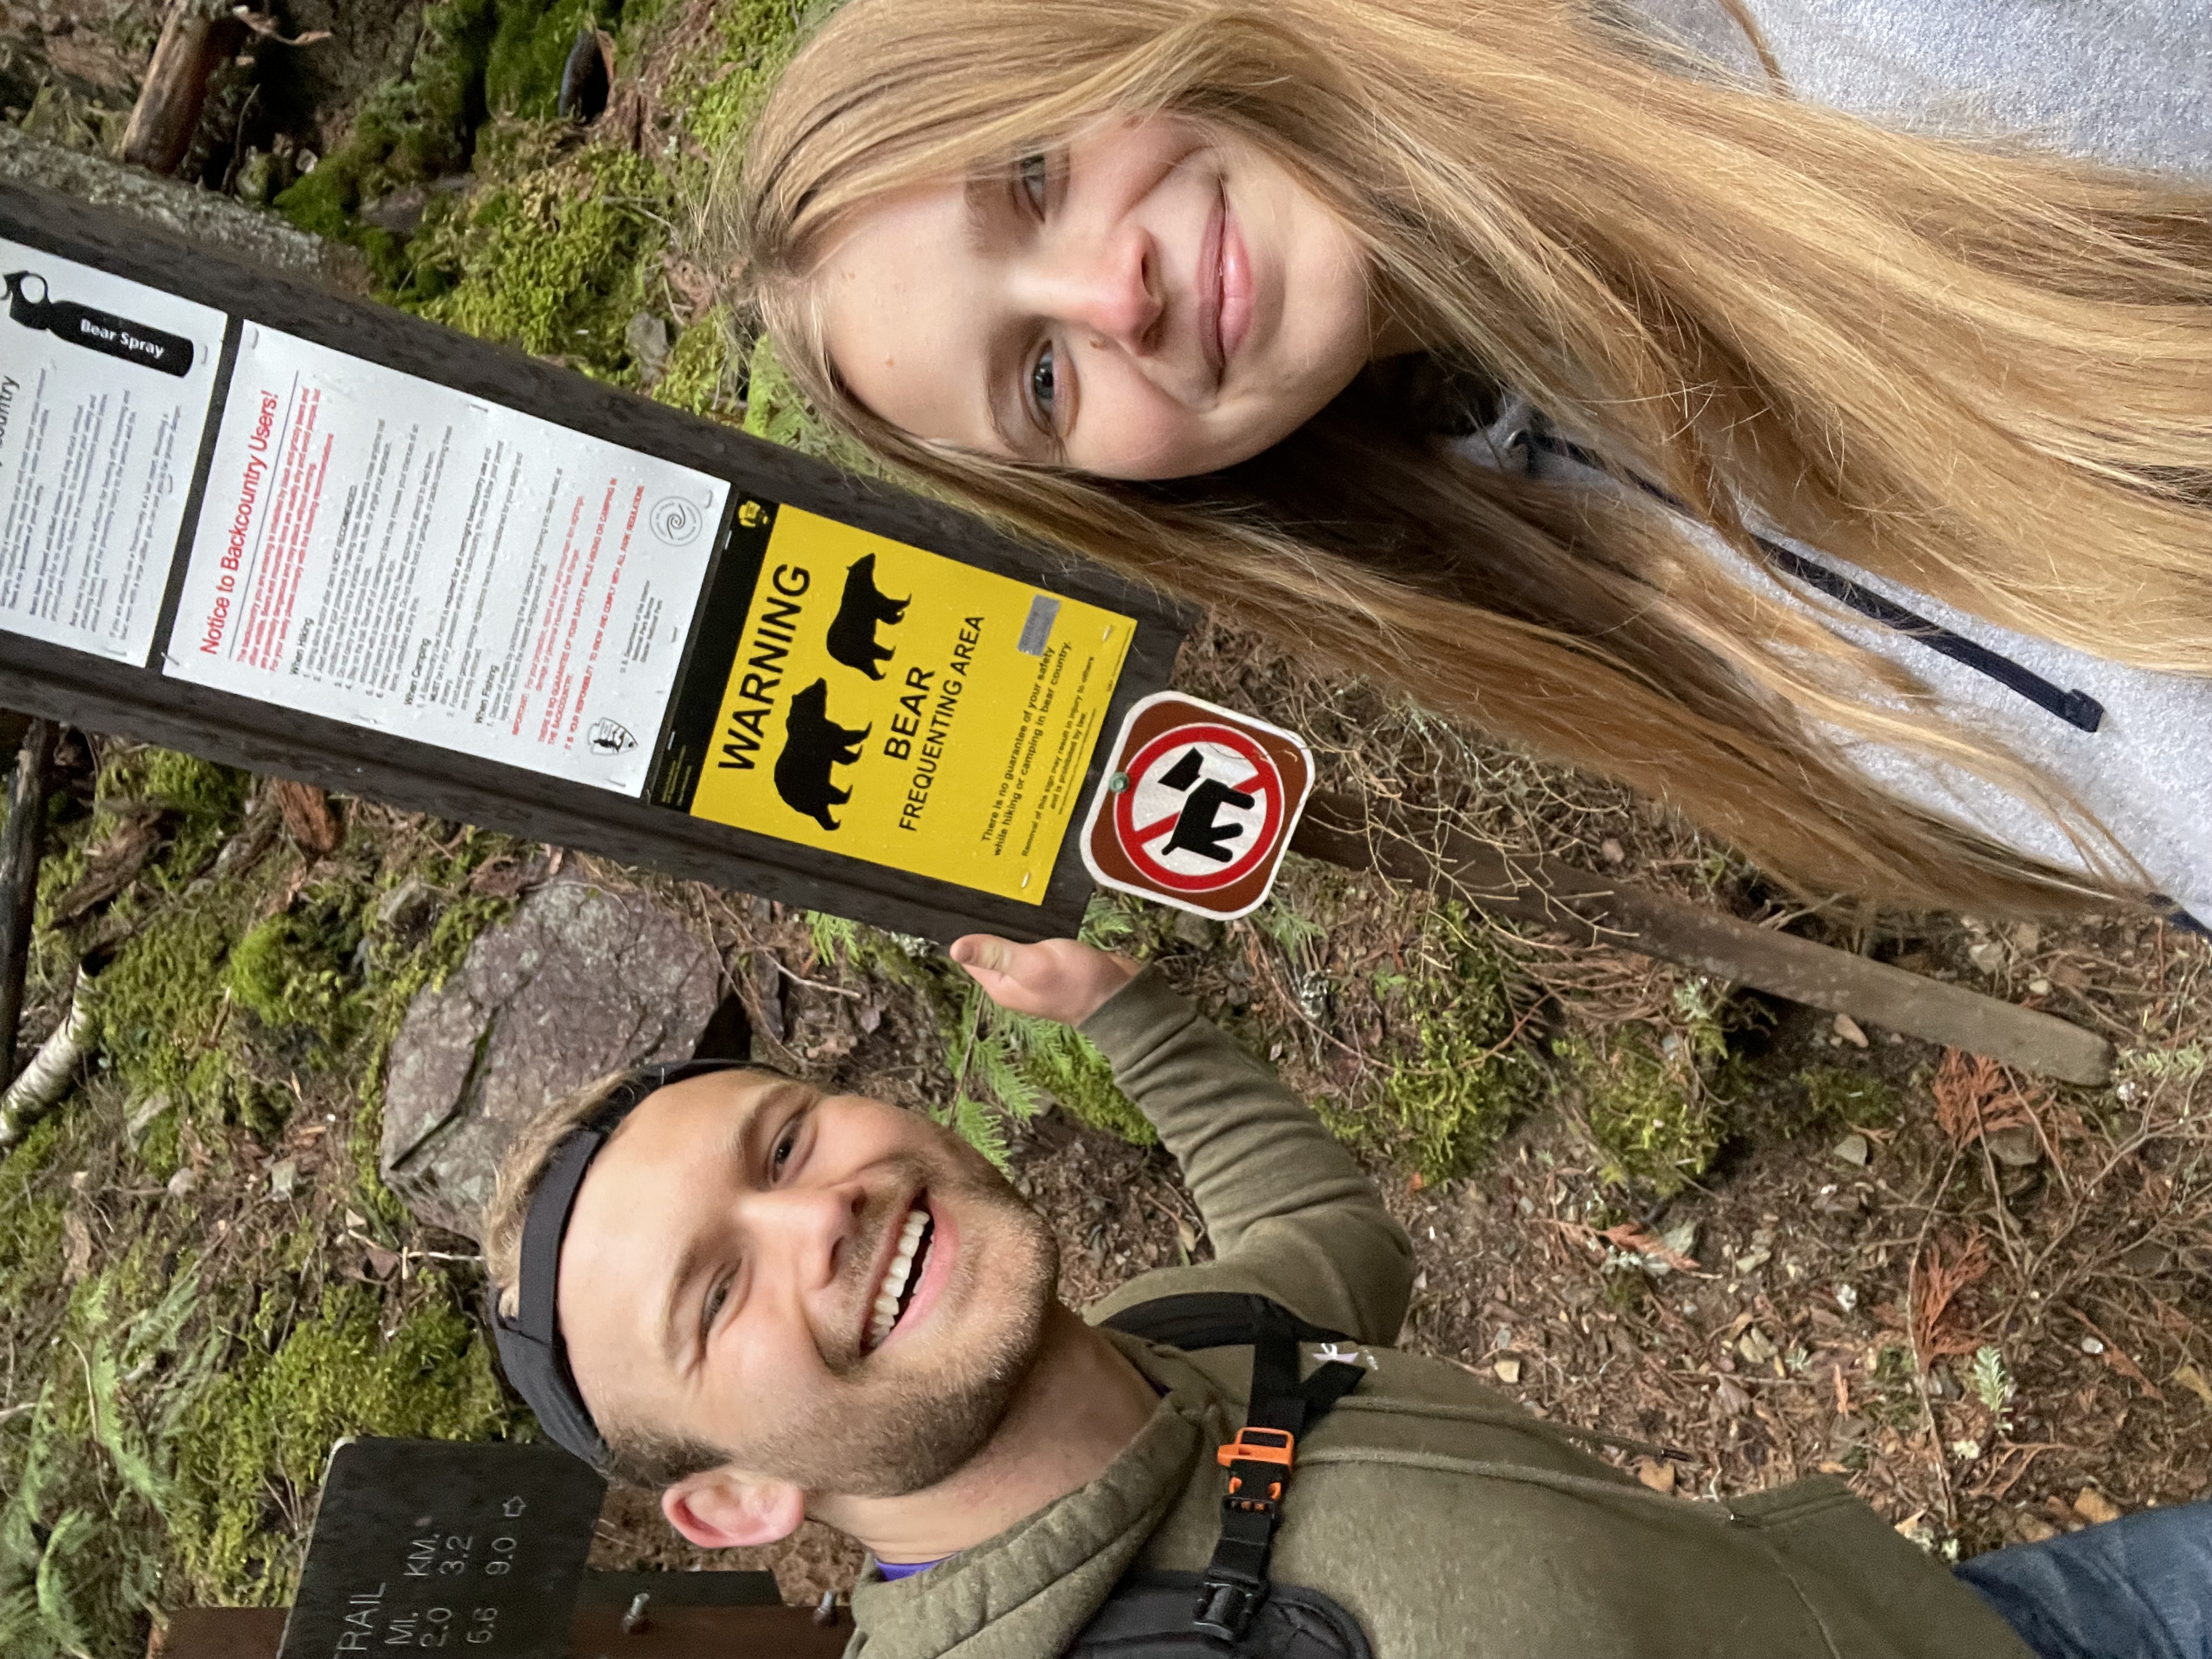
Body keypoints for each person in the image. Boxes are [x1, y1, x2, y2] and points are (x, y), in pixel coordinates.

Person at [715, 0, 2212, 926]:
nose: (1117, 300)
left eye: (1033, 172)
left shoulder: (1794, 43)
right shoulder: (1571, 569)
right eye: (1042, 382)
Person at [482, 932, 2199, 1657]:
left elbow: (1323, 1232)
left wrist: (1126, 1016)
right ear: (733, 1502)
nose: (821, 1218)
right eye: (718, 1295)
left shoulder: (1177, 1349)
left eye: (785, 1140)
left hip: (1960, 1620)